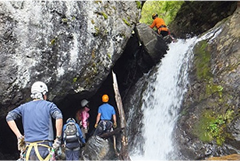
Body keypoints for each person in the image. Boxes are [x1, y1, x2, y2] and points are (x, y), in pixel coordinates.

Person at [6, 81, 63, 161]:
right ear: (43, 94)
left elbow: (9, 117)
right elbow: (59, 116)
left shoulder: (24, 107)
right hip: (44, 149)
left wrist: (19, 136)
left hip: (29, 151)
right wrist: (58, 138)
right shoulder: (49, 105)